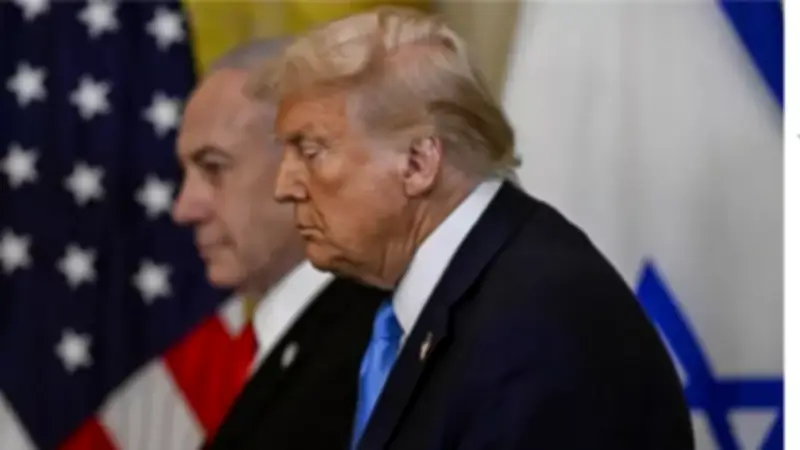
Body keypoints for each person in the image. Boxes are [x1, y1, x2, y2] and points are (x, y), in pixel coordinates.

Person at [249, 7, 694, 450]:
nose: (284, 186)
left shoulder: (534, 323)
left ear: (418, 163)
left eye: (310, 151)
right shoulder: (475, 289)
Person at [172, 37, 385, 450]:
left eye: (213, 168)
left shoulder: (376, 354)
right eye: (185, 174)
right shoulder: (310, 346)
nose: (185, 208)